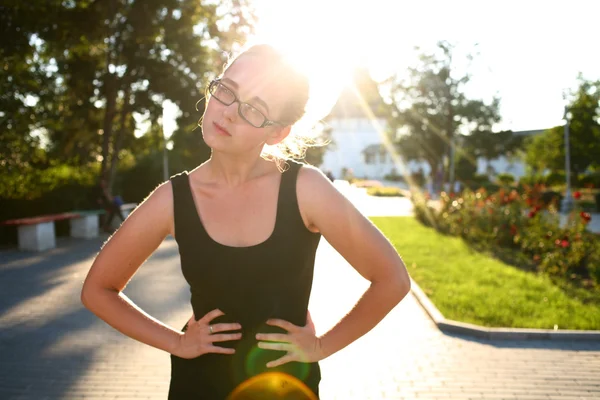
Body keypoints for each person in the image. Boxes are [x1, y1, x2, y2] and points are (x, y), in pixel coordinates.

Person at [81, 44, 411, 399]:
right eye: (226, 91)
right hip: (199, 386)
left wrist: (321, 347)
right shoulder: (171, 199)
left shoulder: (306, 190)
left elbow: (392, 279)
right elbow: (97, 290)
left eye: (254, 109)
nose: (228, 113)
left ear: (277, 132)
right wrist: (177, 342)